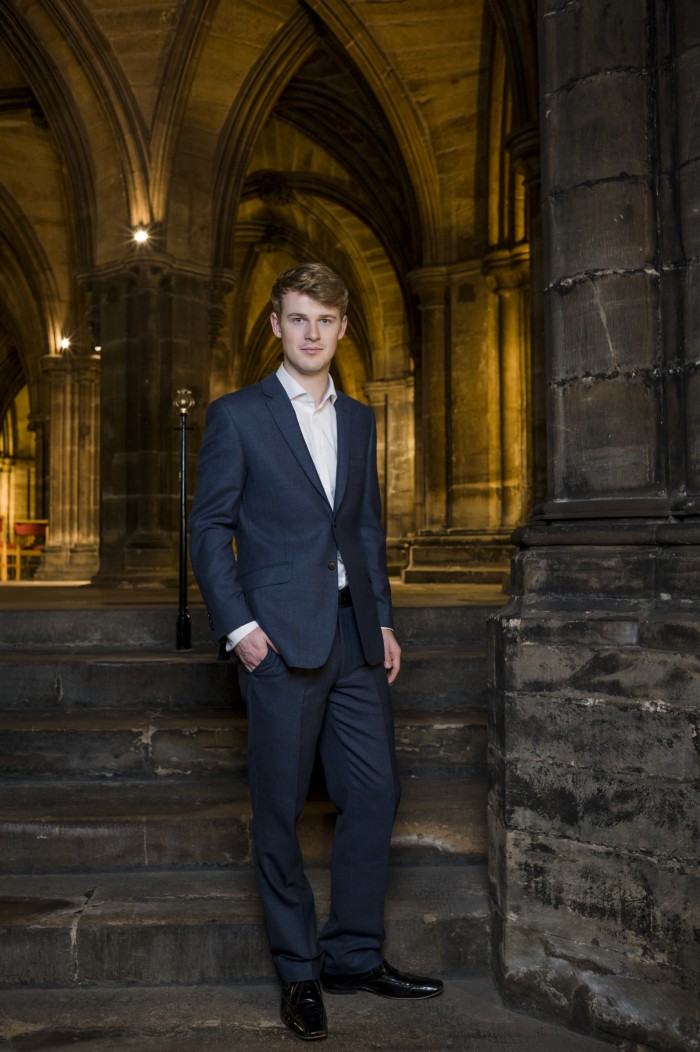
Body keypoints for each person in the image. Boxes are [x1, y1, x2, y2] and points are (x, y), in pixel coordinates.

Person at [189, 262, 442, 1041]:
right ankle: (301, 972)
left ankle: (354, 954)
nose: (311, 333)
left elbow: (363, 530)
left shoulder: (360, 420)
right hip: (279, 643)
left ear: (341, 330)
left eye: (325, 321)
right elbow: (207, 529)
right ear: (276, 326)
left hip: (356, 638)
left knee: (375, 795)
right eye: (297, 319)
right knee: (279, 811)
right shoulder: (238, 416)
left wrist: (386, 621)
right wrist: (240, 629)